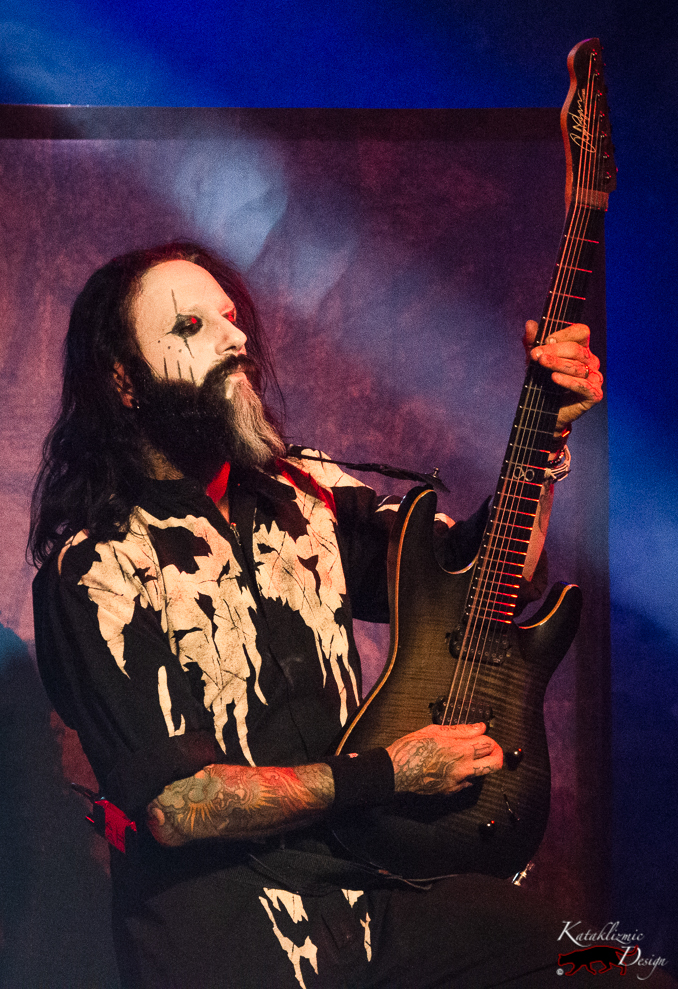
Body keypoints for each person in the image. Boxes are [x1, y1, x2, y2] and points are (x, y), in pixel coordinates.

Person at [31, 241, 611, 988]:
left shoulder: (308, 492)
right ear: (124, 383)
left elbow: (486, 586)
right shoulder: (93, 570)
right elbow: (181, 807)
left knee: (602, 961)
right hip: (226, 925)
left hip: (377, 891)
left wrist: (547, 434)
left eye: (232, 317)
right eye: (190, 326)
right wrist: (390, 775)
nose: (235, 338)